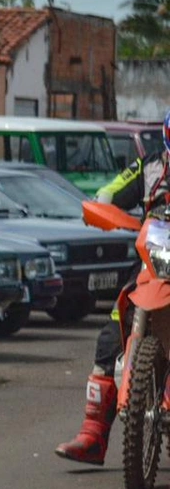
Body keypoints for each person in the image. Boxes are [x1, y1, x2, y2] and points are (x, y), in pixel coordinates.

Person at [54, 109, 170, 465]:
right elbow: (108, 192)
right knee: (110, 333)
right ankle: (92, 435)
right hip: (156, 259)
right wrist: (103, 209)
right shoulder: (149, 166)